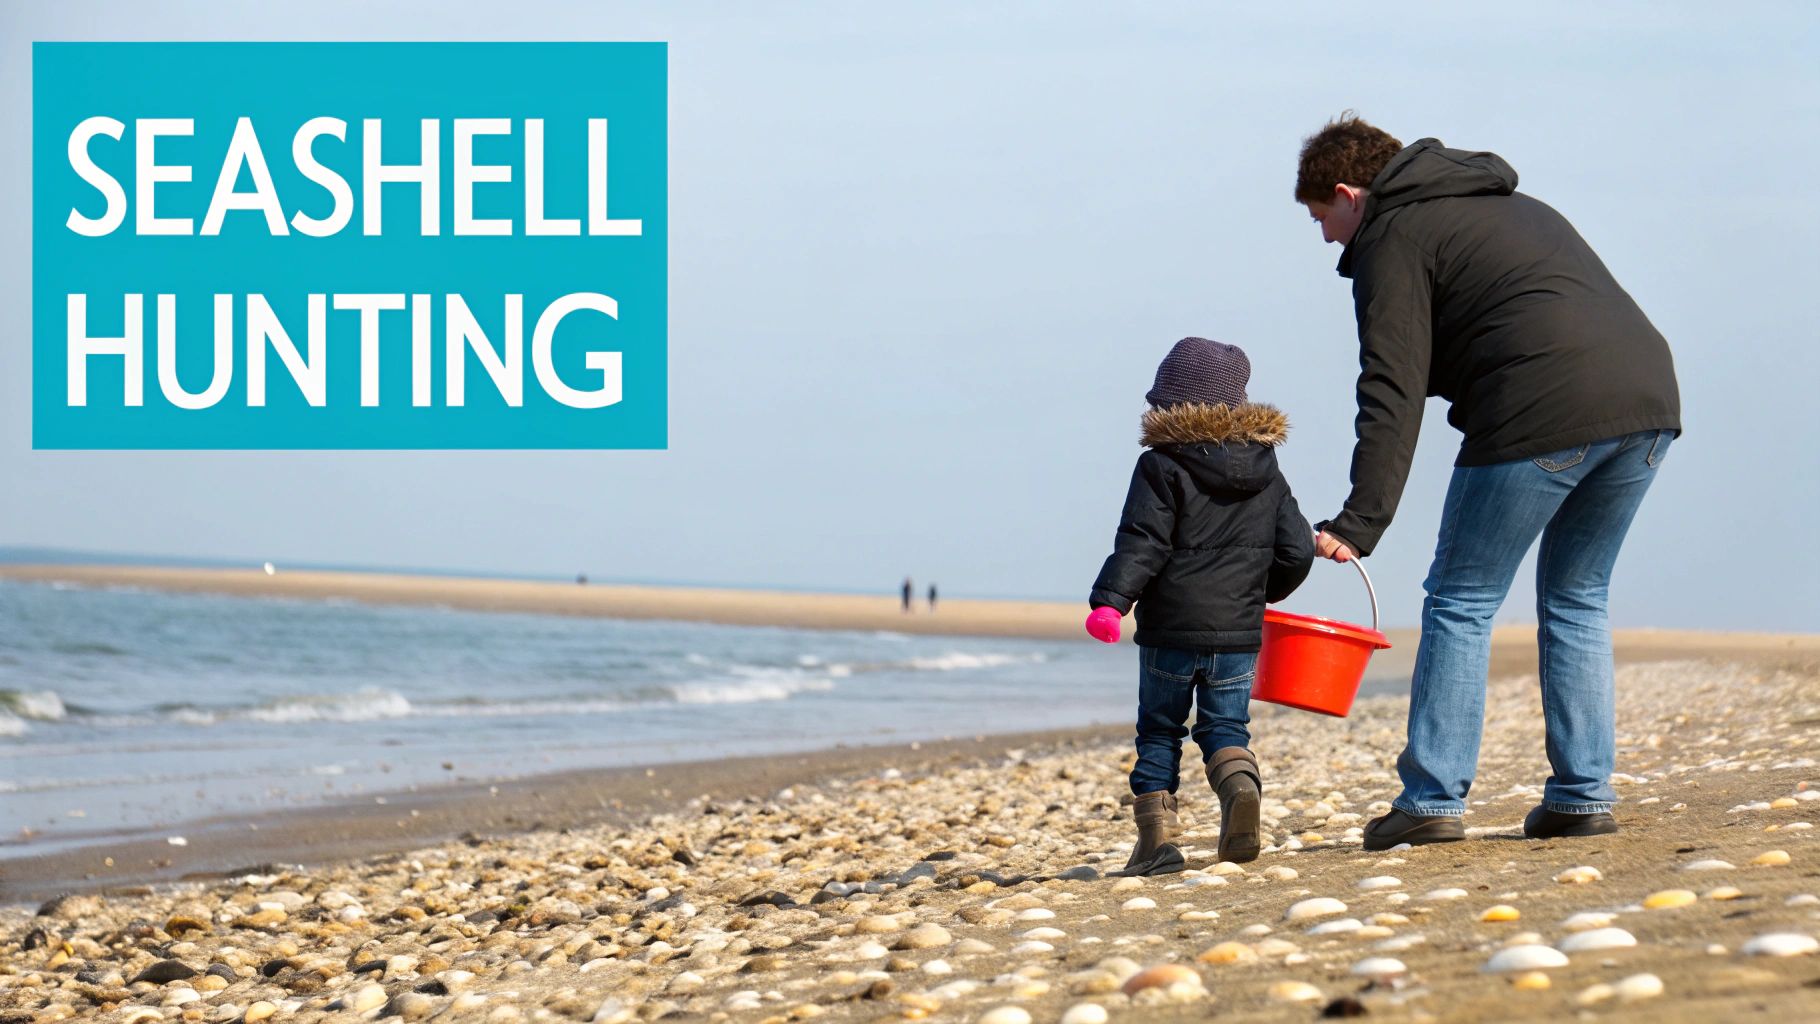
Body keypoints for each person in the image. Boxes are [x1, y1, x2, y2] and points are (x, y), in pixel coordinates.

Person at [1295, 115, 1681, 849]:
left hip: (1542, 407)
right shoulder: (1508, 204)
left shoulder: (1395, 237)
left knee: (1461, 599)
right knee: (1577, 598)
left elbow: (1391, 386)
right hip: (1647, 402)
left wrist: (1359, 521)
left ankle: (1432, 800)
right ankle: (1581, 796)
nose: (1326, 238)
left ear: (1349, 194)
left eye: (1322, 217)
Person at [1086, 338, 1316, 874]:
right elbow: (1297, 548)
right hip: (1236, 632)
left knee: (1160, 730)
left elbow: (1142, 541)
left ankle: (1157, 842)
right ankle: (1239, 787)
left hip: (1170, 630)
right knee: (1226, 729)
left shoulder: (1161, 466)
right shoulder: (1268, 469)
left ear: (1173, 404)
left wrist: (1110, 603)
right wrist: (1257, 594)